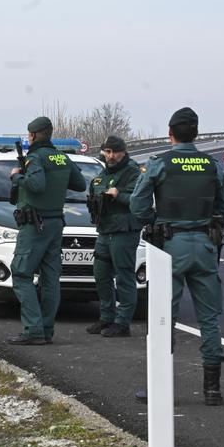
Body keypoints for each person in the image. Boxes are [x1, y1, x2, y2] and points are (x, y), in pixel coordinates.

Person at [130, 107, 224, 406]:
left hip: (169, 248)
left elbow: (137, 204)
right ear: (196, 133)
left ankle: (159, 387)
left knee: (163, 318)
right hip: (205, 246)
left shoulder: (160, 164)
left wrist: (155, 221)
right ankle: (212, 389)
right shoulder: (212, 165)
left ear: (170, 133)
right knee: (210, 319)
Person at [7, 116, 86, 346]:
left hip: (35, 224)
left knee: (21, 274)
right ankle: (46, 329)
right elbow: (80, 184)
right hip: (55, 223)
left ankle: (33, 329)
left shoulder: (35, 158)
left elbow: (36, 186)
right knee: (50, 278)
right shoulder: (62, 157)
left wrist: (17, 176)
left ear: (32, 135)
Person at [86, 135, 142, 338]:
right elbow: (94, 192)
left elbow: (139, 201)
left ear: (123, 152)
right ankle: (106, 316)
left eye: (113, 152)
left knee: (124, 277)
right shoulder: (102, 174)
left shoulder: (133, 172)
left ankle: (123, 322)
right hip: (105, 230)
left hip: (123, 232)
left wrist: (119, 195)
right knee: (101, 275)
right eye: (106, 152)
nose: (110, 156)